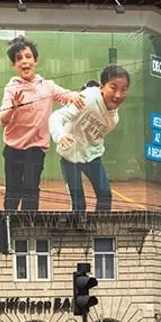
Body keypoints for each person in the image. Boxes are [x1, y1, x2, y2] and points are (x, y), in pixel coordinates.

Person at [0, 36, 83, 211]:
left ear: (36, 60)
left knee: (31, 187)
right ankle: (7, 224)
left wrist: (75, 95)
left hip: (36, 146)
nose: (24, 61)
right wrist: (13, 107)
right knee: (13, 190)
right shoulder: (12, 88)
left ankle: (29, 225)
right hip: (13, 148)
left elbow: (65, 95)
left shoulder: (47, 86)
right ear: (15, 65)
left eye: (28, 56)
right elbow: (2, 121)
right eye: (19, 58)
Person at [49, 65, 130, 212]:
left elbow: (96, 137)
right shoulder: (86, 99)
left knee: (105, 196)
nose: (118, 95)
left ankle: (99, 231)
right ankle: (75, 232)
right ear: (101, 86)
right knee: (79, 204)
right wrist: (60, 135)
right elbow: (56, 117)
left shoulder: (114, 119)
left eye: (123, 90)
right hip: (69, 157)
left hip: (92, 157)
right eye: (113, 87)